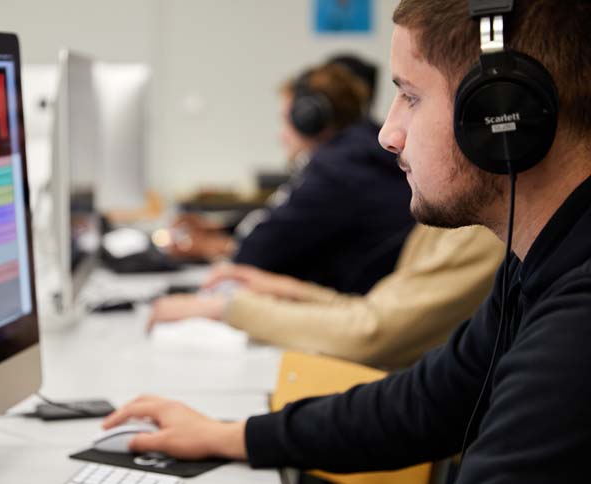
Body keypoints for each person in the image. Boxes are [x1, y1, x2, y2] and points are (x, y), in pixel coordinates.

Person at [104, 0, 591, 480]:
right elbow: (428, 402)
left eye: (412, 97)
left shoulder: (575, 330)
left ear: (498, 113)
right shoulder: (537, 262)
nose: (387, 135)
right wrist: (232, 437)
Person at [171, 59, 414, 294]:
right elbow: (286, 222)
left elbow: (254, 255)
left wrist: (206, 246)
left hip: (345, 307)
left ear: (308, 119)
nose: (282, 137)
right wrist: (220, 228)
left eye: (286, 121)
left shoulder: (337, 170)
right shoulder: (361, 152)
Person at [149, 223, 504, 369]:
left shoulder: (482, 232)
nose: (389, 133)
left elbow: (369, 333)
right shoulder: (449, 218)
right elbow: (376, 312)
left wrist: (223, 307)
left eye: (412, 98)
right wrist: (285, 290)